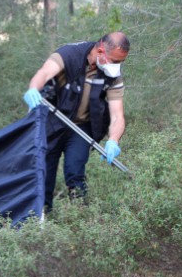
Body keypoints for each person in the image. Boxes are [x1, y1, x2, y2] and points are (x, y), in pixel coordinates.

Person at [23, 31, 130, 211]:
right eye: (115, 61)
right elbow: (43, 73)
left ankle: (79, 213)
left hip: (82, 126)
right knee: (44, 170)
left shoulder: (113, 76)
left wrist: (113, 140)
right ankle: (41, 215)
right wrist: (34, 88)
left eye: (121, 62)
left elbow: (118, 115)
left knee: (75, 169)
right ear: (101, 51)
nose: (117, 67)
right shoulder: (69, 54)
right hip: (53, 120)